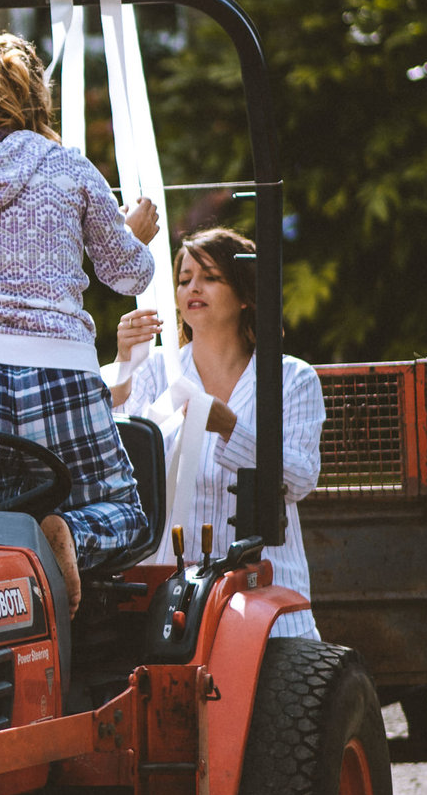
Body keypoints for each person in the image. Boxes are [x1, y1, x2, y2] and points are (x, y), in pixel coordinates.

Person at [0, 32, 161, 613]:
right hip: (58, 370)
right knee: (124, 511)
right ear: (36, 101)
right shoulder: (69, 169)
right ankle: (68, 533)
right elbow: (128, 276)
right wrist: (135, 237)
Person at [113, 225, 325, 638]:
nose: (194, 287)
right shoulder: (155, 369)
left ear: (245, 295)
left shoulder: (292, 378)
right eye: (184, 279)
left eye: (210, 277)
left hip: (267, 597)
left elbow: (299, 479)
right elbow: (119, 464)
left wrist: (230, 427)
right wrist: (123, 363)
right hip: (169, 595)